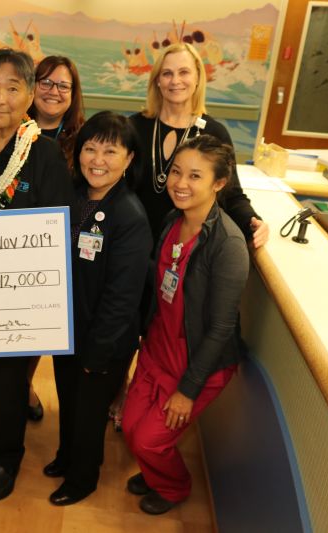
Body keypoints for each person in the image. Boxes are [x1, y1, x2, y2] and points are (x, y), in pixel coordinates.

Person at [0, 48, 73, 501]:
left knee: (5, 381)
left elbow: (56, 230)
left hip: (13, 299)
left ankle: (7, 455)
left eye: (12, 87)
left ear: (28, 98)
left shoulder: (43, 155)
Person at [121, 135, 249, 515]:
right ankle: (154, 467)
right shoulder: (172, 220)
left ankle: (173, 486)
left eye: (195, 176)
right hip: (158, 346)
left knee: (148, 440)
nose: (180, 183)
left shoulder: (228, 245)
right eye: (176, 171)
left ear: (219, 183)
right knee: (130, 428)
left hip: (197, 361)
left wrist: (188, 391)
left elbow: (221, 327)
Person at [43, 112, 152, 506]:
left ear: (129, 159)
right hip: (68, 327)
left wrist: (99, 350)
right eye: (90, 148)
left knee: (89, 412)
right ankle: (66, 456)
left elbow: (123, 298)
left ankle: (82, 478)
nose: (98, 159)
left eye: (110, 150)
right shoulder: (73, 197)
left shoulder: (129, 216)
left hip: (103, 338)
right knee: (69, 400)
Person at [128, 43, 268, 248]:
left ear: (197, 78)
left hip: (186, 250)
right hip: (133, 242)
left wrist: (253, 222)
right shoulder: (134, 127)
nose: (175, 81)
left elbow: (231, 194)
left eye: (184, 72)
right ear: (157, 80)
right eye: (167, 73)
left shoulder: (214, 133)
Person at [25, 54, 86, 422]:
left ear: (73, 93)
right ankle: (17, 386)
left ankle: (24, 384)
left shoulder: (83, 138)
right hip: (13, 246)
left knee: (41, 329)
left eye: (63, 85)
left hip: (64, 246)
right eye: (45, 82)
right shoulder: (11, 130)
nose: (53, 91)